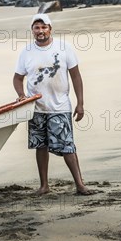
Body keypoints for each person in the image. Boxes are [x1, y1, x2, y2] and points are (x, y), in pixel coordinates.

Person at [13, 14, 93, 196]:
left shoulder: (64, 48)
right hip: (36, 108)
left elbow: (76, 76)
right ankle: (44, 186)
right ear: (32, 30)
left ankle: (80, 185)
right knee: (40, 146)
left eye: (44, 27)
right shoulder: (26, 52)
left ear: (50, 29)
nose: (40, 31)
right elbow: (17, 78)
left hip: (60, 106)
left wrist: (80, 104)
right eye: (36, 28)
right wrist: (21, 95)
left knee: (67, 146)